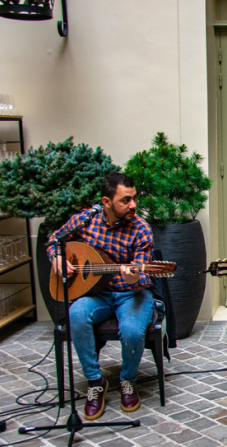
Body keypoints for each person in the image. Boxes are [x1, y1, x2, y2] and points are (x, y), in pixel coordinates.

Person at [48, 173, 154, 421]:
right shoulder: (85, 222)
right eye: (125, 200)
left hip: (130, 293)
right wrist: (58, 258)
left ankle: (128, 379)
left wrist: (133, 278)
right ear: (106, 202)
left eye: (134, 198)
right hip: (96, 293)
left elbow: (144, 275)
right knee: (76, 314)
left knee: (131, 330)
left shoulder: (141, 229)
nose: (133, 205)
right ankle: (95, 382)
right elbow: (55, 239)